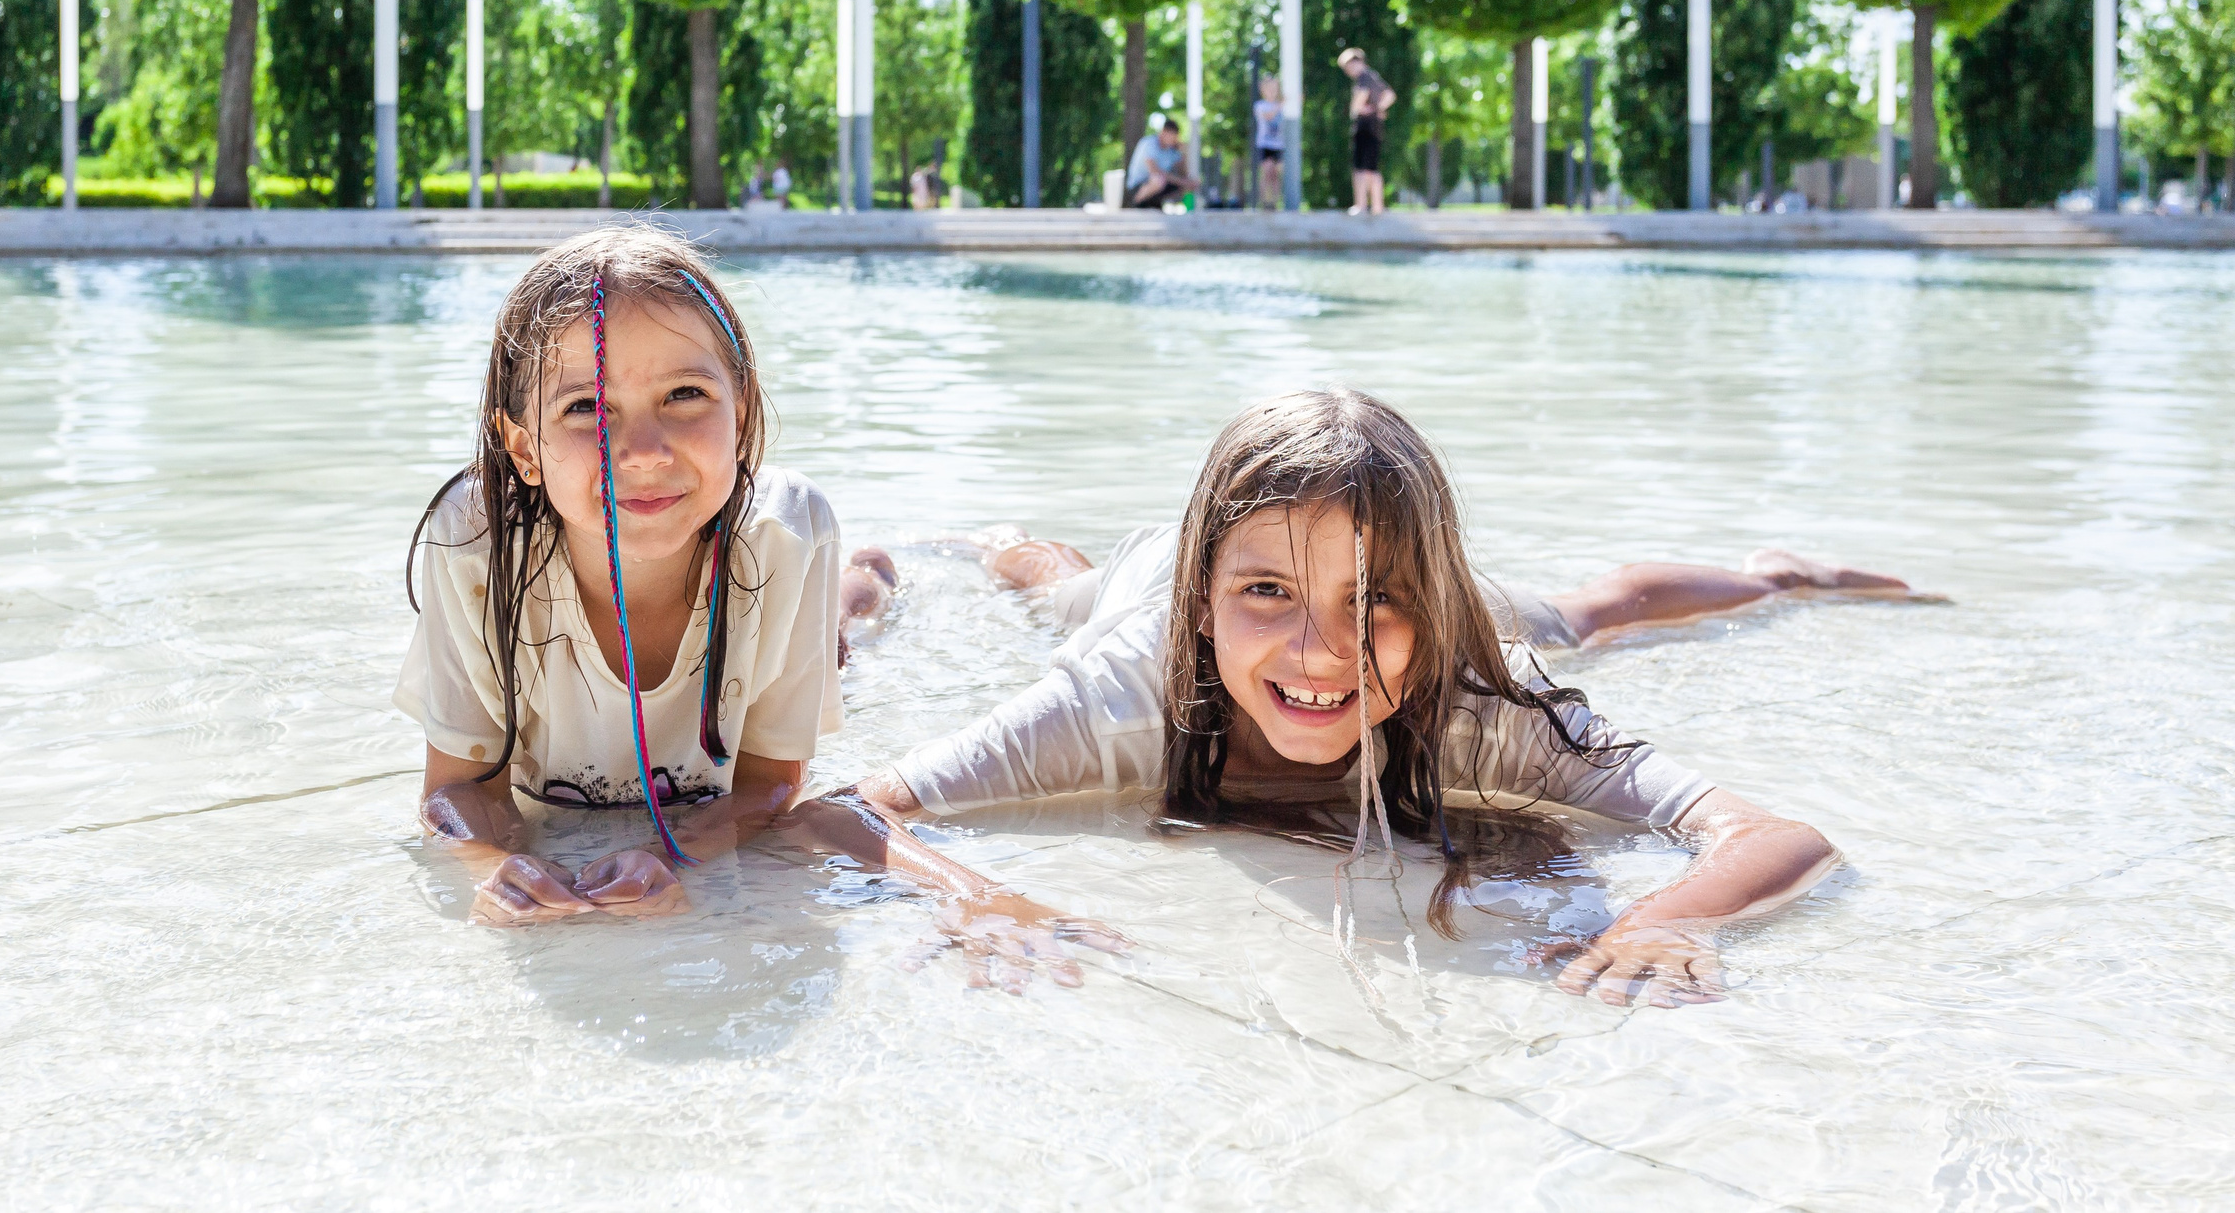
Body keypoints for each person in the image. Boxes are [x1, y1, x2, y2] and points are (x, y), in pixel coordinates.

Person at [834, 390, 1917, 1002]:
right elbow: (842, 808)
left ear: (1431, 606)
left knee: (1590, 609)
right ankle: (997, 543)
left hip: (1449, 599)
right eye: (1267, 596)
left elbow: (1771, 835)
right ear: (1206, 607)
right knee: (1057, 585)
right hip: (1136, 582)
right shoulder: (1122, 695)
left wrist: (1661, 919)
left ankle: (1781, 570)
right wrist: (968, 891)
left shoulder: (1481, 700)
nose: (1321, 655)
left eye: (1374, 605)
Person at [397, 227, 852, 924]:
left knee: (861, 619)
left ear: (741, 410)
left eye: (686, 393)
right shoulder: (476, 546)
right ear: (523, 448)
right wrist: (497, 866)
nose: (641, 453)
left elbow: (770, 782)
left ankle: (873, 580)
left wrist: (675, 860)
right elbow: (458, 787)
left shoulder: (789, 535)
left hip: (775, 582)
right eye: (584, 407)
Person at [1339, 48, 1395, 214]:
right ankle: (1377, 205)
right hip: (1376, 126)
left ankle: (1361, 204)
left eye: (1349, 67)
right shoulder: (1373, 76)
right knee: (1372, 167)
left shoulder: (1363, 77)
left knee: (1361, 167)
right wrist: (1379, 109)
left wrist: (1355, 109)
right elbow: (1390, 95)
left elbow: (1362, 96)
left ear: (1358, 62)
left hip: (1364, 126)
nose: (1348, 71)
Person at [1124, 116, 1198, 210]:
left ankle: (1155, 203)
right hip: (1138, 186)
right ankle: (1136, 204)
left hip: (1159, 185)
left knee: (1190, 183)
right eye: (1171, 136)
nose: (1173, 140)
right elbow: (1155, 171)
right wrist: (1182, 182)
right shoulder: (1149, 143)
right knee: (1158, 180)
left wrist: (1184, 154)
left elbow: (1184, 174)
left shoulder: (1171, 150)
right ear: (1163, 132)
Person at [1252, 75, 1285, 209]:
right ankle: (1265, 202)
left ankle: (1275, 203)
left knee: (1276, 175)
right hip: (1265, 144)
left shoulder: (1282, 105)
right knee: (1266, 172)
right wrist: (1281, 105)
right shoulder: (1260, 105)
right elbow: (1269, 116)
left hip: (1279, 145)